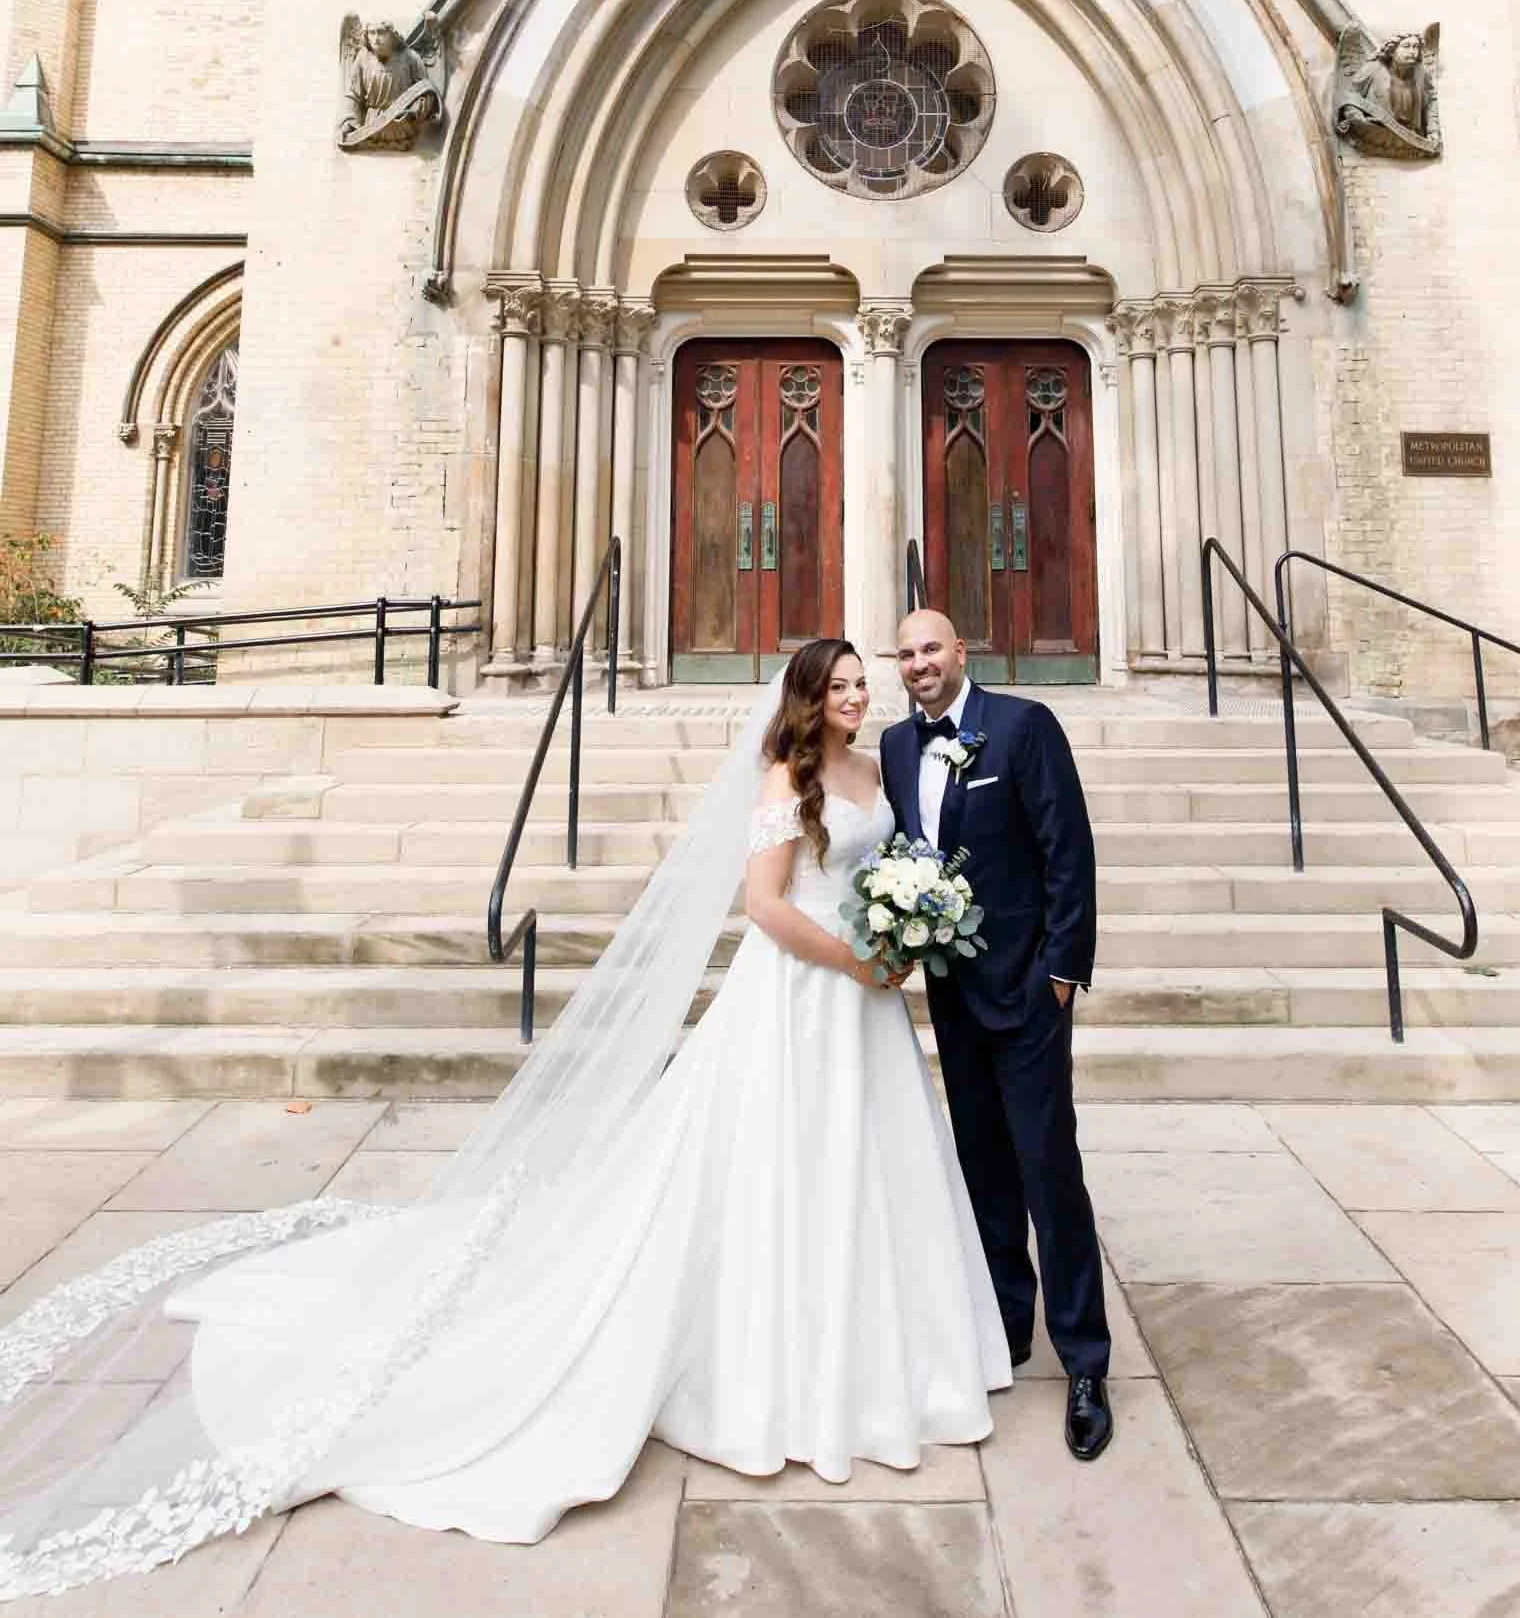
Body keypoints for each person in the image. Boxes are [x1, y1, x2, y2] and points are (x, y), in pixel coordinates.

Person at [0, 641, 1007, 1601]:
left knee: (856, 1167)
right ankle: (774, 1368)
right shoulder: (785, 779)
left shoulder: (877, 767)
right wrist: (854, 957)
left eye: (859, 682)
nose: (855, 694)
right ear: (803, 694)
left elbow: (879, 873)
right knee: (768, 1168)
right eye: (838, 684)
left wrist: (902, 928)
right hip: (801, 993)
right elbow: (765, 902)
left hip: (865, 1007)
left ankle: (881, 1358)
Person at [882, 606, 1113, 1461]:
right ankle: (1006, 1327)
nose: (918, 663)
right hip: (953, 993)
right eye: (904, 654)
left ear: (960, 651)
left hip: (1026, 991)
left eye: (930, 647)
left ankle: (1084, 1360)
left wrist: (1063, 969)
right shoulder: (899, 748)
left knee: (1049, 1169)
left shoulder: (1021, 726)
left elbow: (1067, 850)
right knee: (982, 1169)